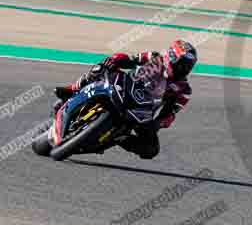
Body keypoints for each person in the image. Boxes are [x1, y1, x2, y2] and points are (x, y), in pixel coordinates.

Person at [53, 40, 197, 159]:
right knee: (100, 69)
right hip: (123, 87)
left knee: (151, 149)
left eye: (188, 66)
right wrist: (114, 60)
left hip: (143, 112)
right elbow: (130, 60)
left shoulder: (184, 90)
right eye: (182, 63)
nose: (184, 68)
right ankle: (72, 89)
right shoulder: (154, 58)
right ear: (171, 56)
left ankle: (118, 137)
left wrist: (159, 123)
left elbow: (171, 113)